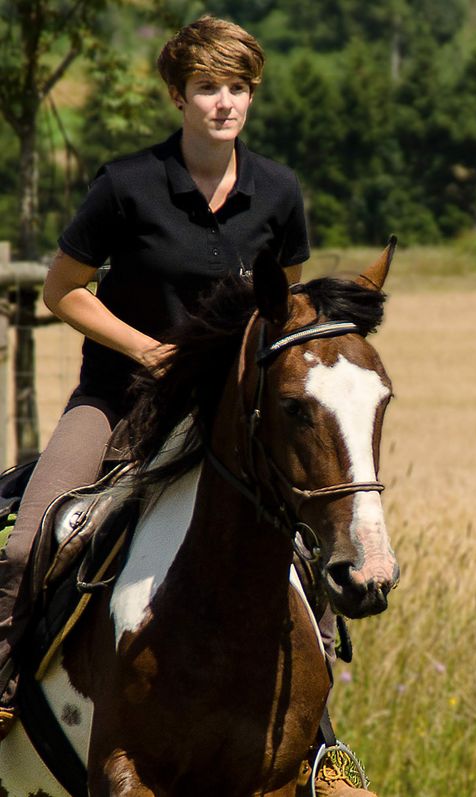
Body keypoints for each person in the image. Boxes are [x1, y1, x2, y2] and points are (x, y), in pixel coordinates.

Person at [0, 15, 369, 797]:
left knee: (306, 546)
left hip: (228, 415)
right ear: (178, 94)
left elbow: (290, 311)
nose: (223, 103)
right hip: (117, 400)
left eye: (236, 88)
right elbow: (63, 289)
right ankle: (1, 690)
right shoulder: (126, 183)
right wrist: (145, 350)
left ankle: (320, 746)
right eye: (207, 88)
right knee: (27, 544)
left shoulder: (278, 191)